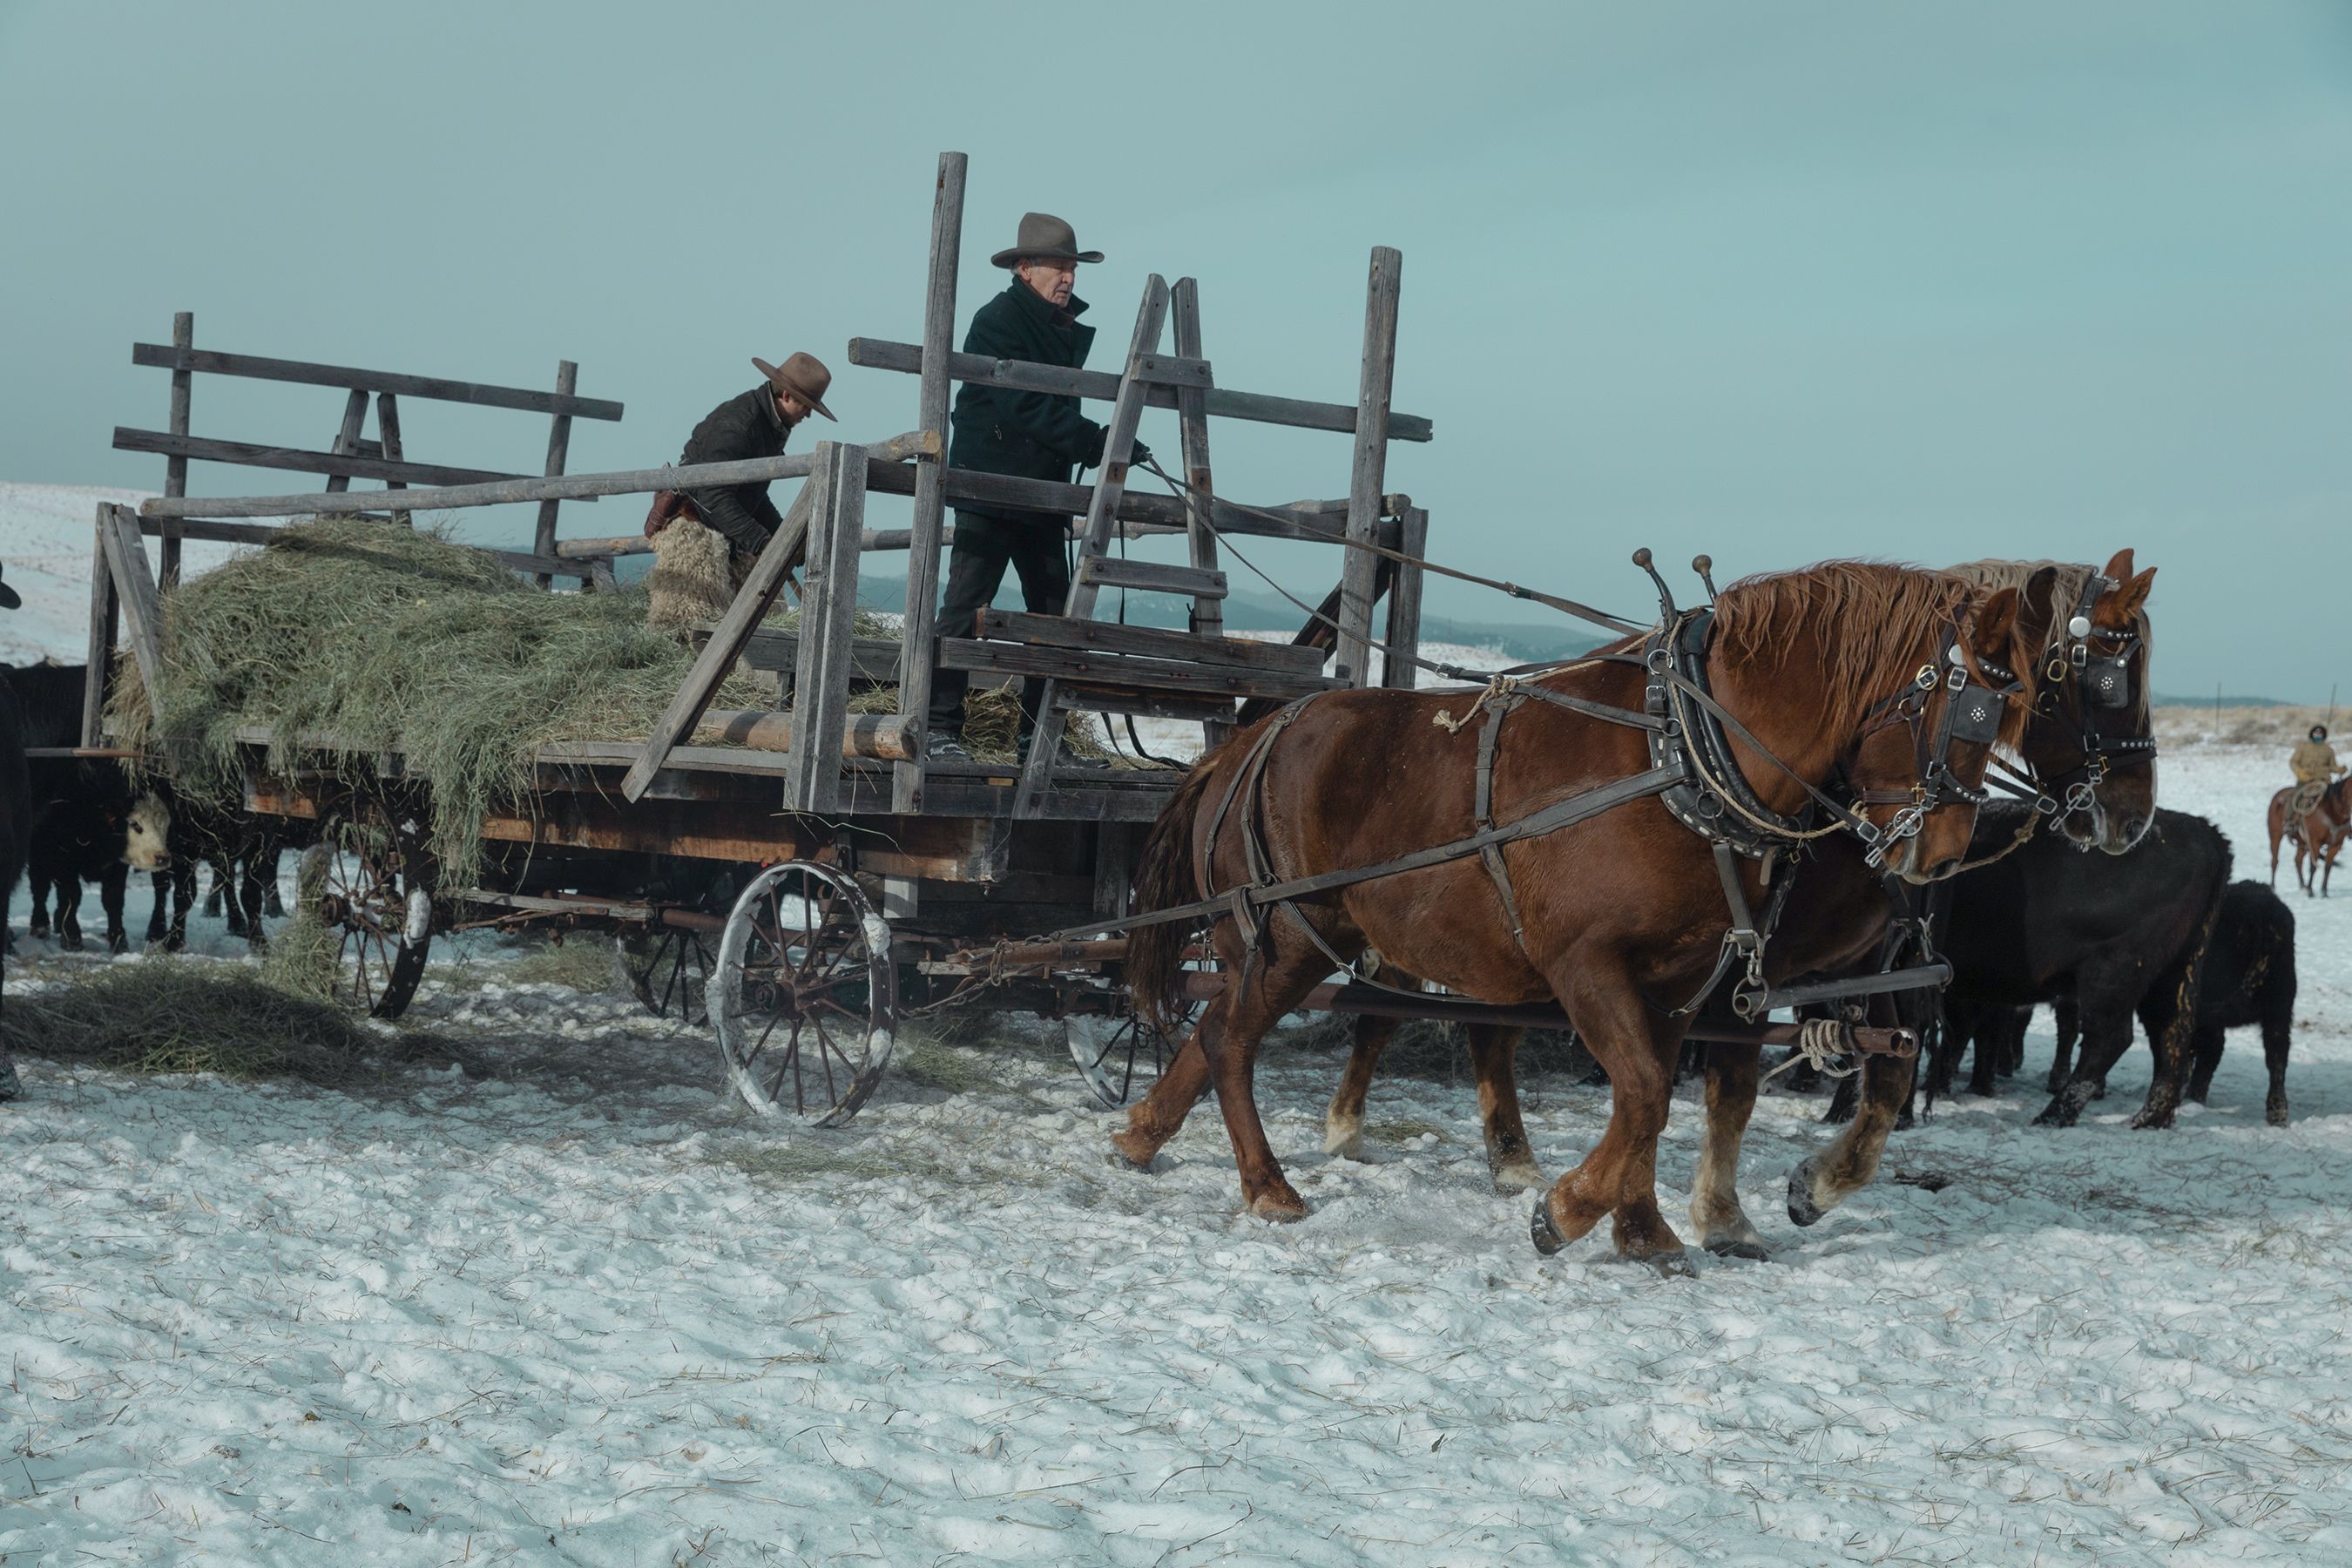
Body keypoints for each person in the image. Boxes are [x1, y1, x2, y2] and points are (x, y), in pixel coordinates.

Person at [923, 213, 1146, 764]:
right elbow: (1022, 405)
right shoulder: (997, 320)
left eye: (1072, 267)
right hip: (992, 487)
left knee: (1051, 613)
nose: (1068, 277)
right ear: (1025, 268)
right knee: (965, 604)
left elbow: (1045, 405)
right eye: (1058, 267)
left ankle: (1039, 737)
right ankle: (938, 727)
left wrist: (1102, 445)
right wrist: (1097, 443)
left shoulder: (1054, 322)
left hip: (1043, 493)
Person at [645, 351, 836, 591]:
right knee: (690, 616)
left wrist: (785, 540)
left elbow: (750, 493)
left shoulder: (769, 425)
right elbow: (714, 495)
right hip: (695, 535)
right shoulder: (737, 426)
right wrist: (761, 541)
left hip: (726, 537)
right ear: (787, 395)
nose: (808, 414)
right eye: (806, 406)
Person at [2289, 723, 2344, 817]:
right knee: (2295, 798)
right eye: (2316, 733)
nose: (2318, 735)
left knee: (2336, 800)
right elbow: (2293, 762)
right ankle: (2290, 821)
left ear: (2324, 735)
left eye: (2320, 733)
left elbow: (2332, 766)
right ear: (2312, 734)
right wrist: (2299, 772)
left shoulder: (2329, 750)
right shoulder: (2303, 747)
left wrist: (2339, 769)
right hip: (2306, 780)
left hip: (2324, 781)